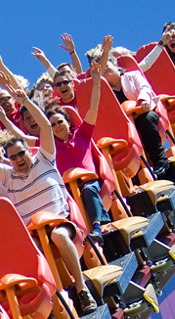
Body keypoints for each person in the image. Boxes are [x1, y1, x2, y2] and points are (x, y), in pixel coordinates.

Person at [0, 65, 98, 315]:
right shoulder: (7, 175)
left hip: (60, 223)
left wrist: (25, 101)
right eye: (13, 157)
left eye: (21, 153)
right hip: (32, 234)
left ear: (28, 150)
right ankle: (48, 307)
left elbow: (45, 128)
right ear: (9, 160)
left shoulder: (44, 159)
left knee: (57, 236)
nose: (19, 159)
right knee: (21, 257)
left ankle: (81, 288)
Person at [48, 47, 112, 243]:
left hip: (91, 183)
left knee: (87, 190)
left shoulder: (82, 133)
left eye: (60, 122)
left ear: (68, 122)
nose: (57, 126)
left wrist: (96, 84)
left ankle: (98, 228)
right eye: (52, 125)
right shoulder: (51, 148)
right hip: (68, 189)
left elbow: (93, 108)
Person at [102, 58, 171, 178]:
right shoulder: (106, 93)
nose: (106, 70)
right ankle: (134, 174)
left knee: (146, 120)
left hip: (143, 113)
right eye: (103, 69)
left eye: (107, 66)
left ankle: (160, 161)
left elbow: (144, 87)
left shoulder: (132, 76)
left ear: (116, 66)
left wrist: (142, 100)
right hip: (125, 125)